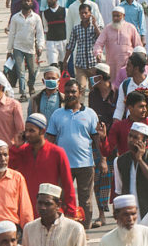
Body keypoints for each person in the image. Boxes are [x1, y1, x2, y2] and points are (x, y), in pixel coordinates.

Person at [46, 79, 103, 226]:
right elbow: (50, 140)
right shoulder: (57, 114)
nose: (70, 95)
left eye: (73, 92)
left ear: (80, 93)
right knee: (64, 198)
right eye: (67, 92)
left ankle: (85, 228)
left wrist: (102, 160)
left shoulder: (90, 114)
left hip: (86, 164)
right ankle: (66, 226)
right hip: (63, 165)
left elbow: (98, 139)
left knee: (86, 199)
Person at [8, 114, 78, 217]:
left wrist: (71, 211)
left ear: (42, 131)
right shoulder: (21, 152)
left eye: (31, 131)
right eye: (25, 131)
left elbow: (67, 184)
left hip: (51, 210)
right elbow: (8, 170)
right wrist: (15, 148)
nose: (27, 134)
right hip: (27, 211)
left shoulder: (57, 152)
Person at [114, 122, 148, 219]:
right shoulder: (119, 161)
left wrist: (140, 160)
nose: (130, 140)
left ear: (145, 142)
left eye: (135, 138)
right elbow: (120, 190)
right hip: (131, 216)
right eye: (130, 136)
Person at [6, 0, 45, 99]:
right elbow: (12, 34)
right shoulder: (15, 17)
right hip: (18, 47)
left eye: (29, 1)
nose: (27, 2)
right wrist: (9, 50)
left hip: (31, 48)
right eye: (25, 1)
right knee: (20, 71)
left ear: (31, 3)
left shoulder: (36, 17)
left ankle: (31, 86)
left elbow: (40, 33)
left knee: (33, 71)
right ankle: (23, 93)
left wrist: (40, 46)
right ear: (22, 2)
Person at [22, 184, 86, 246]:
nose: (42, 207)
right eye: (40, 203)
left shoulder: (75, 229)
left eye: (47, 204)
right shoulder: (29, 229)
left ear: (58, 205)